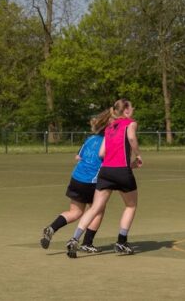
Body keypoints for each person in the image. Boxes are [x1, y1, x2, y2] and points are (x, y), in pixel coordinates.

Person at [66, 99, 143, 258]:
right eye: (131, 107)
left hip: (106, 172)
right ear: (126, 110)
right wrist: (138, 154)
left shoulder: (109, 127)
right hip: (122, 171)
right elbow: (131, 138)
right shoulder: (130, 123)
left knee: (94, 208)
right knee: (131, 206)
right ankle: (121, 242)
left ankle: (74, 239)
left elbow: (102, 153)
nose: (133, 109)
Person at [40, 112, 109, 253]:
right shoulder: (108, 142)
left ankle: (51, 228)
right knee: (97, 211)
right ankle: (87, 243)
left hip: (76, 178)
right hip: (91, 181)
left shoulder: (90, 139)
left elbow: (78, 157)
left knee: (75, 212)